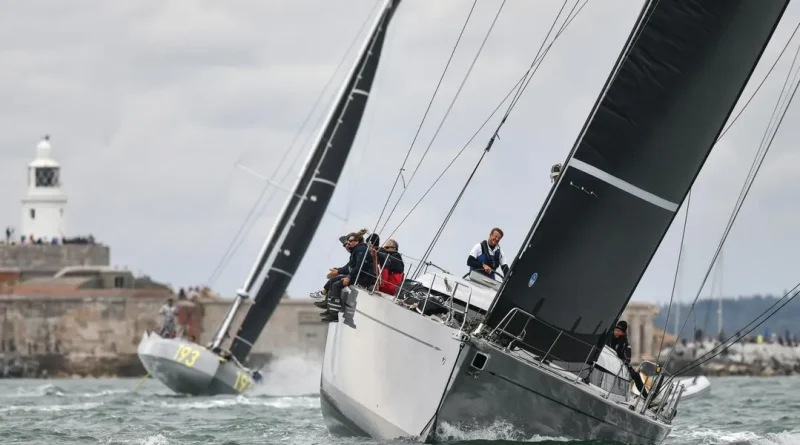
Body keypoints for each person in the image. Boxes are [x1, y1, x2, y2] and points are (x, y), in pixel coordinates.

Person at [320, 230, 376, 322]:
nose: (347, 245)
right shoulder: (356, 251)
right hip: (360, 275)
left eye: (349, 242)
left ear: (357, 241)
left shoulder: (361, 250)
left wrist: (348, 276)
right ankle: (329, 307)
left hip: (364, 277)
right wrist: (338, 270)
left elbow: (359, 266)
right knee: (333, 280)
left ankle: (333, 315)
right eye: (346, 243)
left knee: (336, 285)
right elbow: (349, 266)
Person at [607, 320, 649, 399]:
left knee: (636, 375)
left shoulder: (626, 345)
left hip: (620, 363)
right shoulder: (608, 337)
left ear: (623, 332)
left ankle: (646, 396)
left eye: (618, 331)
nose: (616, 332)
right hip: (607, 358)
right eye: (615, 330)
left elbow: (627, 359)